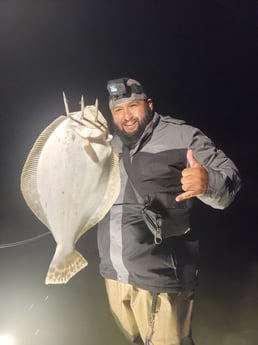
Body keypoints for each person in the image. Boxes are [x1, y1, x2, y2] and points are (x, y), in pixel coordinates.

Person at [97, 77, 241, 345]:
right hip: (114, 274)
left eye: (133, 106)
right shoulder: (108, 146)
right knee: (135, 340)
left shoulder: (183, 136)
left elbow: (230, 179)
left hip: (162, 280)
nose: (126, 116)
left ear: (149, 105)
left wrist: (208, 183)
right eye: (118, 110)